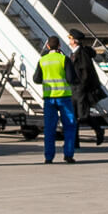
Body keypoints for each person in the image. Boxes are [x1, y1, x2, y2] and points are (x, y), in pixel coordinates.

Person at [32, 35, 80, 163]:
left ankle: (48, 157)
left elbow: (36, 79)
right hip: (64, 97)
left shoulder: (42, 60)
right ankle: (68, 155)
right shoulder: (64, 59)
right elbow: (71, 78)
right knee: (69, 126)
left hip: (49, 99)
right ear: (59, 46)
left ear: (48, 46)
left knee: (49, 128)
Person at [67, 30, 101, 129]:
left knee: (82, 115)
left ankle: (98, 129)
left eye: (70, 38)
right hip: (74, 88)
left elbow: (86, 70)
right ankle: (75, 137)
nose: (69, 41)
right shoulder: (74, 53)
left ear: (74, 41)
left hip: (80, 88)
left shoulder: (82, 53)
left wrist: (82, 85)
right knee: (74, 114)